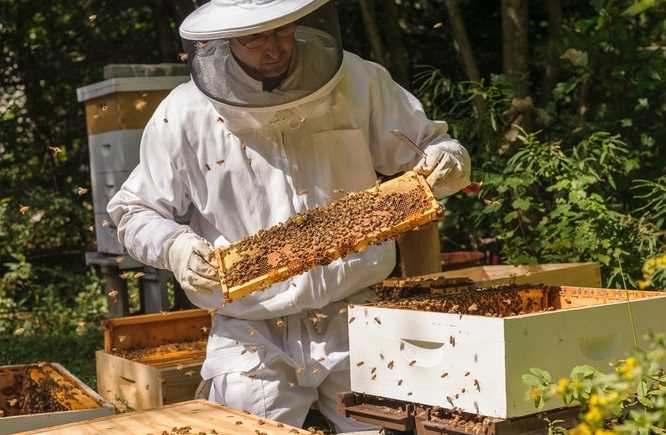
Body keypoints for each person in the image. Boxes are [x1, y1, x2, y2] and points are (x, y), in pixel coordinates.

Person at [107, 0, 470, 432]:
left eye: (281, 31)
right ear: (224, 40)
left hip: (356, 315)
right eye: (254, 37)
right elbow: (134, 211)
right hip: (252, 332)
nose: (273, 47)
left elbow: (429, 144)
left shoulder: (358, 80)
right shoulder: (184, 113)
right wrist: (175, 246)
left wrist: (446, 159)